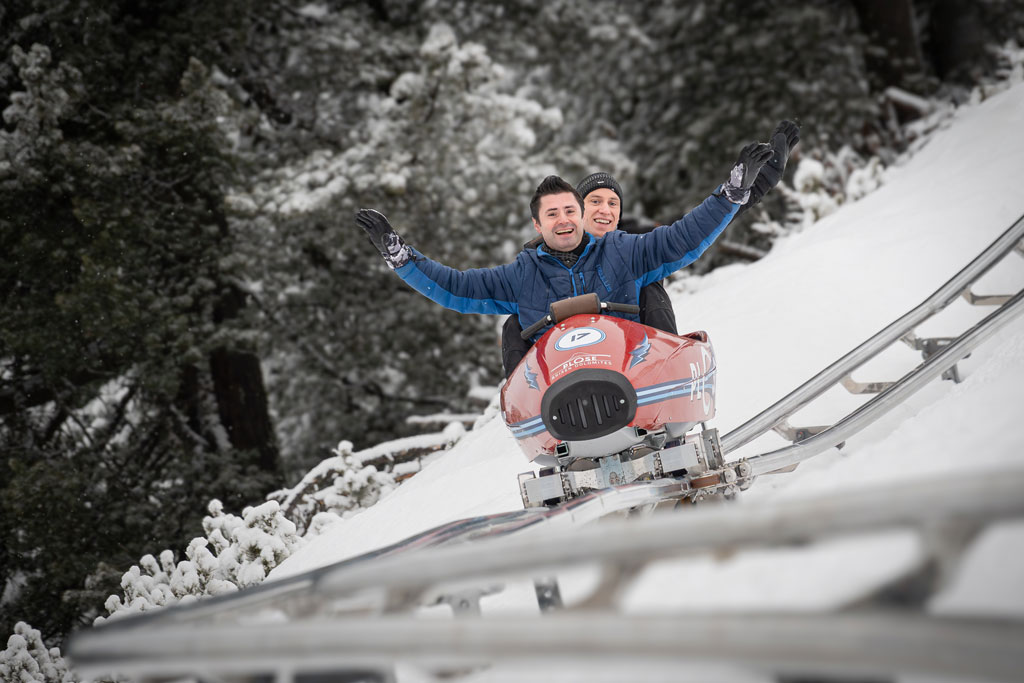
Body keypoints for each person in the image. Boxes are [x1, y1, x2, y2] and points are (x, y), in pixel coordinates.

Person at [355, 127, 794, 374]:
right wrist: (402, 258)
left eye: (569, 209)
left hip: (634, 375)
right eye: (554, 214)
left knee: (651, 291)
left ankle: (673, 377)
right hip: (563, 386)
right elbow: (457, 288)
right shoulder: (520, 276)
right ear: (537, 223)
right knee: (514, 326)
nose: (564, 219)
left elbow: (685, 236)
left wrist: (735, 192)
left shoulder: (626, 251)